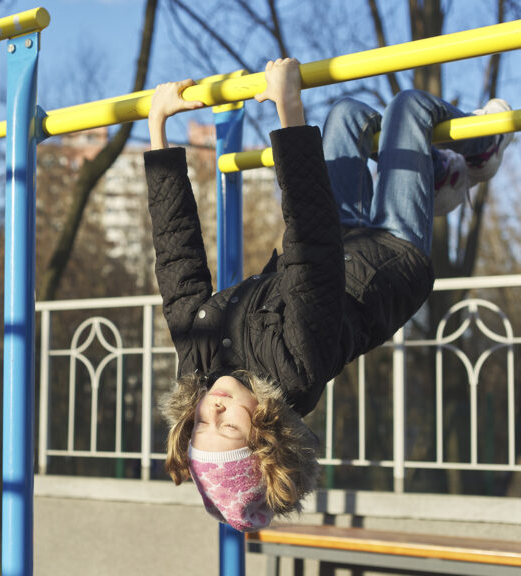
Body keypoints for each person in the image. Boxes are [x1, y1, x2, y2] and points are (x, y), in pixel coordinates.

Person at [143, 58, 513, 532]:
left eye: (200, 426)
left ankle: (435, 174)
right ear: (266, 434)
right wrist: (288, 108)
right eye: (229, 426)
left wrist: (158, 128)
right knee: (408, 107)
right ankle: (482, 150)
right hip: (391, 259)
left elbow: (177, 261)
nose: (212, 411)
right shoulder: (295, 367)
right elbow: (309, 251)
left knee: (347, 116)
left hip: (338, 235)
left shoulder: (198, 359)